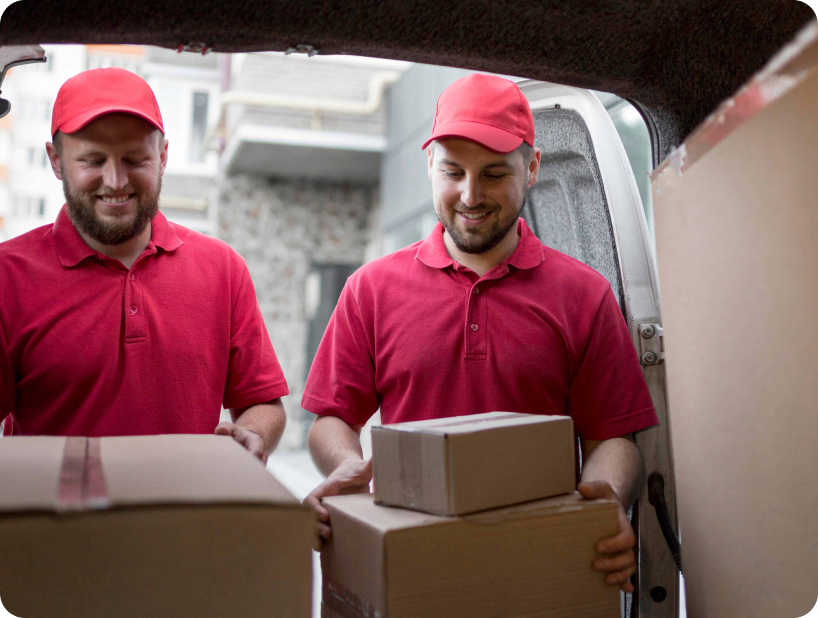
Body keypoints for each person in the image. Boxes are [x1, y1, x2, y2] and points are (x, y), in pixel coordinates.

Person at [301, 74, 659, 591]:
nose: (470, 196)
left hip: (536, 566)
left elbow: (611, 437)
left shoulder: (584, 295)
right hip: (411, 557)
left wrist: (603, 499)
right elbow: (331, 418)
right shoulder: (370, 289)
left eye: (493, 174)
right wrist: (348, 471)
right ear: (429, 166)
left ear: (532, 167)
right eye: (453, 172)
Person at [0, 68, 288, 463]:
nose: (116, 180)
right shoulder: (7, 276)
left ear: (163, 156)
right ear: (56, 161)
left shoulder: (223, 269)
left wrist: (253, 436)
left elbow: (262, 402)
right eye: (92, 160)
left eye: (135, 158)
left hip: (186, 522)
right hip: (58, 522)